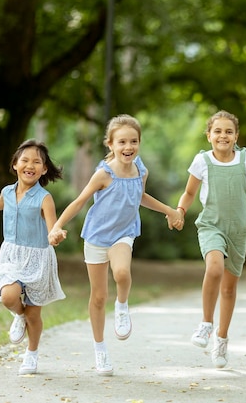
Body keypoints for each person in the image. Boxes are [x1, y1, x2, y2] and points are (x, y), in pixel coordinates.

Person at [47, 114, 183, 376]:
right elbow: (79, 202)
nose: (128, 147)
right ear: (110, 144)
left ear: (139, 143)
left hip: (124, 232)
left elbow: (139, 196)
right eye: (122, 142)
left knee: (121, 273)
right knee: (98, 297)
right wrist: (57, 226)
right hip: (97, 236)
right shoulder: (103, 174)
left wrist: (169, 210)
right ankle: (100, 349)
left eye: (133, 141)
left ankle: (122, 306)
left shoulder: (141, 170)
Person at [175, 110, 246, 368]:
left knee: (229, 288)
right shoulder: (202, 161)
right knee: (214, 268)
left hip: (238, 230)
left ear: (236, 136)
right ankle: (206, 324)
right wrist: (180, 211)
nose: (223, 136)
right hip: (211, 226)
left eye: (228, 131)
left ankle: (222, 339)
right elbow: (188, 192)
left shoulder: (245, 159)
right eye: (217, 131)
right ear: (209, 135)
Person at [0, 139, 66, 375]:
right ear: (15, 165)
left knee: (34, 313)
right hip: (12, 254)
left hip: (38, 257)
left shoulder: (44, 198)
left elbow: (53, 226)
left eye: (36, 162)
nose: (29, 165)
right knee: (8, 296)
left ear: (44, 169)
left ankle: (31, 355)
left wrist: (56, 235)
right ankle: (18, 315)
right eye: (25, 160)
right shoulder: (7, 192)